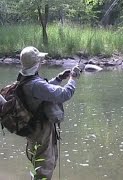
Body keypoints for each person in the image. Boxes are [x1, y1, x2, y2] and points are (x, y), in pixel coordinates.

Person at [18, 46, 81, 179]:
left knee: (38, 166)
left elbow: (41, 92)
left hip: (33, 130)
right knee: (44, 169)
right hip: (42, 132)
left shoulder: (24, 79)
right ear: (36, 63)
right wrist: (73, 79)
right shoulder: (35, 84)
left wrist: (58, 79)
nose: (41, 61)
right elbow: (64, 94)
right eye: (40, 60)